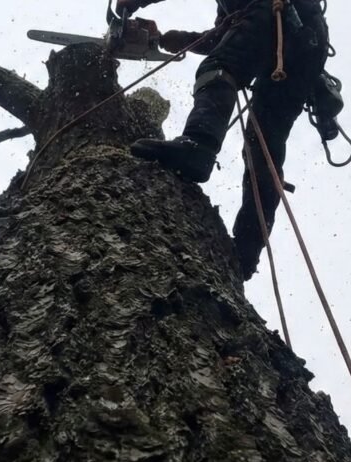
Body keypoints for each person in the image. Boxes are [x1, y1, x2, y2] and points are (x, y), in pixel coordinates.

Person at [116, 0, 333, 279]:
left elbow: (235, 40)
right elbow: (224, 35)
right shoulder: (233, 8)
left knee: (218, 67)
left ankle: (199, 144)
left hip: (277, 13)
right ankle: (246, 251)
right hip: (307, 46)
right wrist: (173, 39)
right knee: (262, 145)